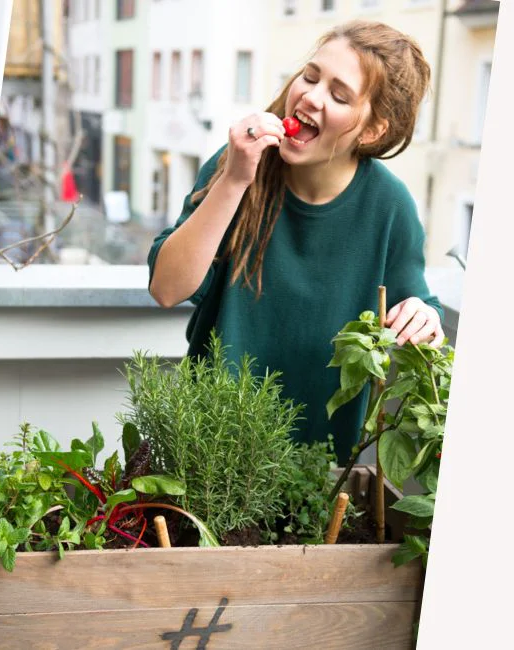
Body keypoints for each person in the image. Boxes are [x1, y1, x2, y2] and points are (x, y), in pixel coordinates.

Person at [148, 20, 444, 464]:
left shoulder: (390, 207)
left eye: (339, 95)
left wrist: (424, 317)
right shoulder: (236, 166)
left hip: (318, 469)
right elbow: (167, 288)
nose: (310, 96)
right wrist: (233, 181)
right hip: (208, 454)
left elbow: (419, 310)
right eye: (310, 76)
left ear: (372, 131)